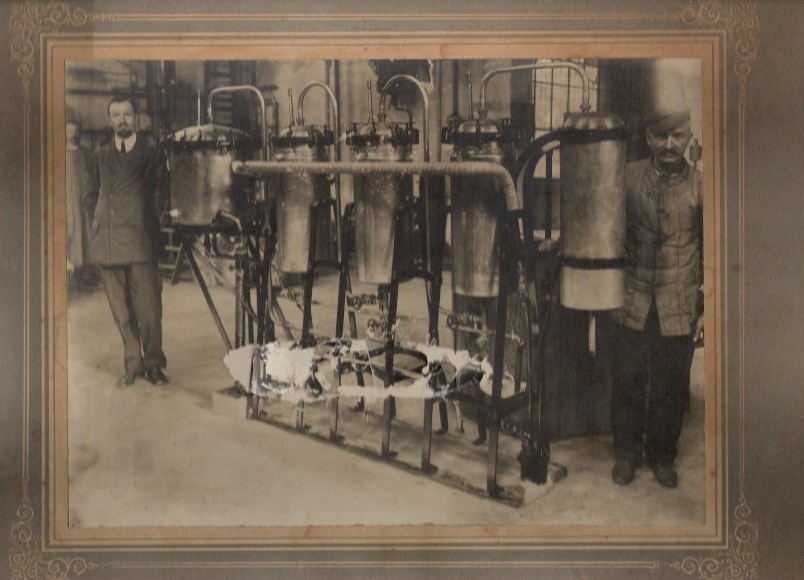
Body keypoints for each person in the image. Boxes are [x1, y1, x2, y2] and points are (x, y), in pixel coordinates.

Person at [609, 105, 703, 489]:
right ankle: (626, 454)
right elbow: (603, 222)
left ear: (688, 137)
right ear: (648, 138)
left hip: (678, 301)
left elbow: (715, 251)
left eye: (677, 136)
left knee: (671, 384)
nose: (669, 144)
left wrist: (706, 302)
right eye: (661, 136)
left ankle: (662, 456)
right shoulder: (627, 176)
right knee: (627, 379)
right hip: (633, 297)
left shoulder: (701, 186)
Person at [85, 95, 169, 386]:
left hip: (141, 240)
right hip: (108, 242)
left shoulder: (153, 154)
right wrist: (100, 224)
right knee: (122, 312)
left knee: (149, 310)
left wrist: (151, 224)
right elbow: (90, 196)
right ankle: (133, 366)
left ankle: (154, 363)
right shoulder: (99, 155)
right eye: (116, 115)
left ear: (137, 119)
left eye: (127, 114)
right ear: (109, 120)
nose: (122, 120)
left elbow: (162, 196)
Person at [65, 117, 96, 292]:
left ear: (81, 133)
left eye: (76, 131)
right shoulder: (60, 154)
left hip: (85, 204)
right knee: (71, 236)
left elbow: (94, 178)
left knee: (87, 235)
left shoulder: (88, 154)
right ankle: (73, 276)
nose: (73, 134)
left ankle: (86, 274)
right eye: (70, 131)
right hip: (69, 204)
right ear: (65, 133)